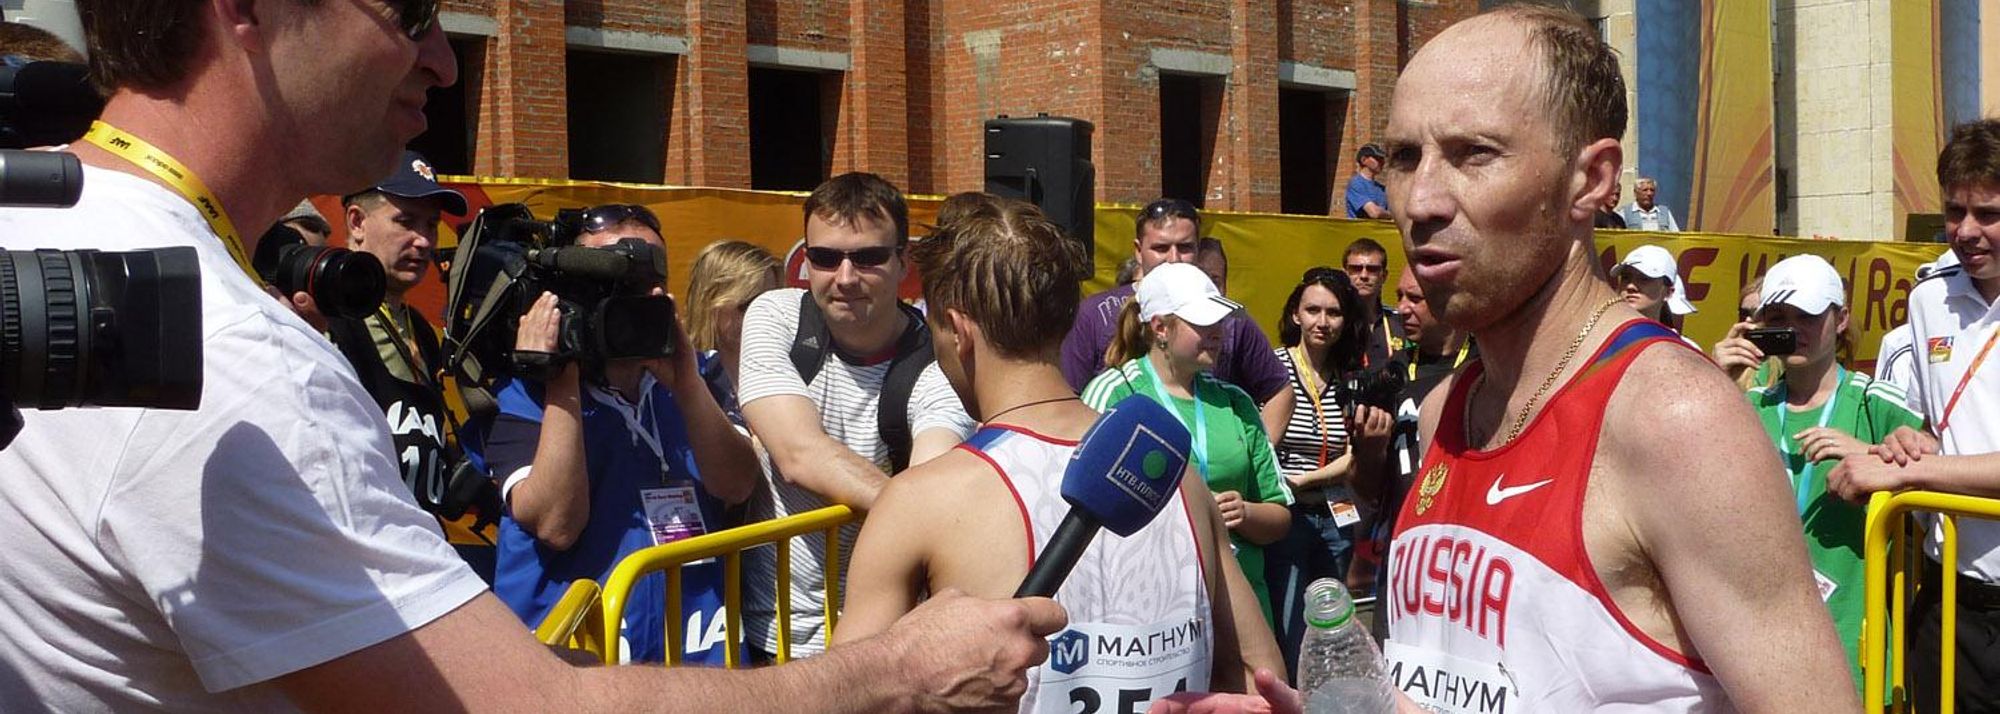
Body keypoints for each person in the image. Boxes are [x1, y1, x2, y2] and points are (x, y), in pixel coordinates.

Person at [0, 1, 1063, 708]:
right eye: (406, 9)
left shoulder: (34, 223)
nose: (442, 58)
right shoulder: (236, 361)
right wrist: (892, 673)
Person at [1378, 5, 1855, 710]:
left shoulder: (1676, 421)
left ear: (1592, 180)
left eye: (1473, 153)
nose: (1420, 200)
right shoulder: (1444, 410)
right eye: (1403, 157)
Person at [835, 199, 1288, 708]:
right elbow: (1261, 675)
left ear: (957, 329)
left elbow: (848, 697)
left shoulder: (919, 501)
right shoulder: (1174, 472)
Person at [477, 205, 762, 663]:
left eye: (650, 273)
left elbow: (736, 485)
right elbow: (556, 524)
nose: (638, 291)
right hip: (577, 670)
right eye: (613, 277)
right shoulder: (522, 393)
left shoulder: (702, 377)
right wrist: (561, 379)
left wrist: (686, 384)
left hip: (692, 661)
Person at [737, 172, 978, 659]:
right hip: (772, 632)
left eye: (867, 257)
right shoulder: (776, 316)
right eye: (824, 258)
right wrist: (918, 513)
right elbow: (798, 454)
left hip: (885, 638)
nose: (845, 278)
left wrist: (924, 512)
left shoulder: (938, 361)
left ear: (902, 262)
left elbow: (936, 478)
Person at [1828, 118, 2000, 713]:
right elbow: (1939, 427)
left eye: (1989, 214)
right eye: (1956, 212)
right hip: (1949, 594)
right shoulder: (1930, 297)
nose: (1968, 231)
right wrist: (1913, 442)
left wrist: (1907, 476)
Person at [1714, 255, 1925, 692]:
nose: (1794, 330)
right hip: (1759, 644)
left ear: (1841, 318)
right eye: (1777, 317)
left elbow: (1940, 461)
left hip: (1852, 641)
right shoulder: (1745, 406)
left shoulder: (1875, 402)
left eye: (1807, 316)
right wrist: (1714, 382)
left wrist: (1869, 454)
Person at [1080, 263, 1294, 626]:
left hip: (1239, 606)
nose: (1217, 332)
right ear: (1160, 328)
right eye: (1202, 322)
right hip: (1153, 612)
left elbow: (1280, 515)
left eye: (1220, 322)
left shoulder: (1236, 402)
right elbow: (1083, 514)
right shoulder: (1114, 393)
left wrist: (1245, 512)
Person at [330, 151, 497, 578]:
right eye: (406, 221)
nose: (423, 240)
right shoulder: (327, 320)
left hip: (418, 558)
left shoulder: (421, 329)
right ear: (357, 223)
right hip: (359, 570)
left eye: (430, 225)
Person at [1257, 266, 1393, 678]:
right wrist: (1294, 484)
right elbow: (1262, 448)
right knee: (1287, 621)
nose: (1322, 321)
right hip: (1286, 517)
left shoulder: (1350, 378)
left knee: (1332, 626)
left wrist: (1301, 480)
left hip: (1334, 515)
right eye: (1312, 310)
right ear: (1295, 314)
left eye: (1333, 312)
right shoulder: (1273, 368)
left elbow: (1353, 456)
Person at [1062, 199, 1288, 402]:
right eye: (1161, 248)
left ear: (1198, 250)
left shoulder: (1227, 318)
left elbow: (1280, 391)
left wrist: (1249, 447)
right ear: (1139, 251)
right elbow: (1068, 397)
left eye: (1185, 247)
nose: (1174, 258)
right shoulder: (1093, 313)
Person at [1356, 267, 1471, 638]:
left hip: (1468, 551)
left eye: (1415, 299)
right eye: (1400, 297)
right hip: (1405, 551)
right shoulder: (1389, 376)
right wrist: (1370, 450)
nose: (1402, 309)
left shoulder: (1488, 369)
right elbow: (1366, 493)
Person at [683, 238, 782, 427]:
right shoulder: (683, 378)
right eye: (748, 305)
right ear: (710, 303)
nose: (763, 315)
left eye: (771, 304)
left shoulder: (792, 369)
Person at [1610, 244, 1701, 345]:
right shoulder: (1597, 338)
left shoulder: (1684, 348)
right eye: (1626, 277)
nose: (1630, 286)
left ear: (1668, 293)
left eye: (1644, 279)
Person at [1343, 238, 1407, 368]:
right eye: (1356, 269)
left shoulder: (1401, 323)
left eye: (1372, 269)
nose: (1364, 275)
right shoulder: (1335, 323)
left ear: (1384, 276)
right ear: (1345, 274)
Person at [1344, 143, 1391, 219]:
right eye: (1377, 158)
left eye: (1382, 159)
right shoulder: (1356, 184)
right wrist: (1392, 215)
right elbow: (1374, 213)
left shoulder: (1382, 189)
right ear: (1364, 160)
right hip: (1360, 230)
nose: (1382, 162)